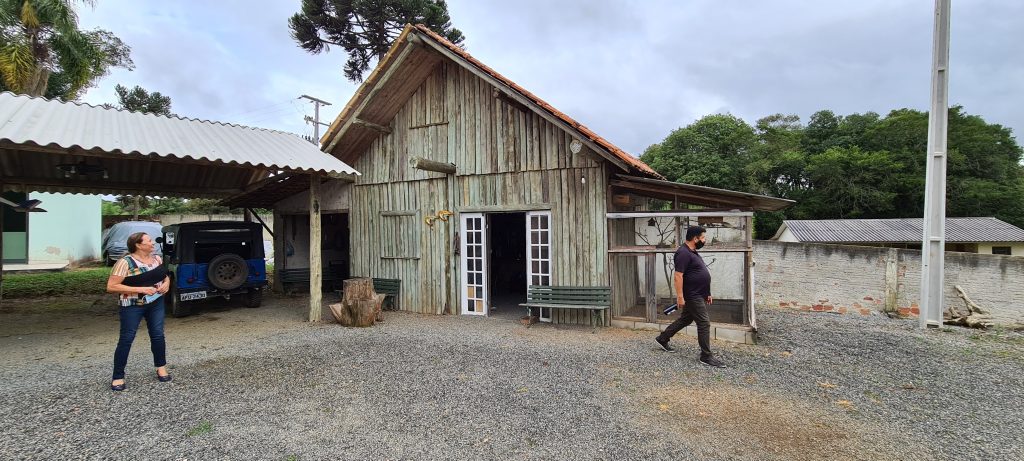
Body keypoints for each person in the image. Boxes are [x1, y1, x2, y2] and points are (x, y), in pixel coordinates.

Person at [106, 231, 172, 391]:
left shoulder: (157, 259)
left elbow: (165, 276)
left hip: (155, 302)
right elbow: (111, 286)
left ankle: (161, 366)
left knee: (157, 335)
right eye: (149, 241)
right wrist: (140, 288)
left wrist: (167, 284)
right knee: (127, 338)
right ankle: (118, 376)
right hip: (132, 305)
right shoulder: (125, 262)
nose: (153, 243)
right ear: (138, 245)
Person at [655, 226, 726, 368]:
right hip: (692, 295)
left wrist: (707, 293)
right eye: (703, 238)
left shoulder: (692, 252)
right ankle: (706, 356)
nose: (704, 241)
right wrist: (680, 296)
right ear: (695, 238)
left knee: (686, 319)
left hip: (699, 294)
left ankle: (663, 338)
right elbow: (678, 276)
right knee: (704, 323)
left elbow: (699, 274)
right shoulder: (683, 253)